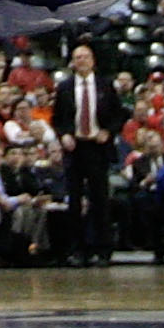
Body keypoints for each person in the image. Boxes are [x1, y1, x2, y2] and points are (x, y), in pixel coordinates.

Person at [54, 42, 127, 264]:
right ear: (73, 63)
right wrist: (64, 134)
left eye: (85, 57)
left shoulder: (105, 85)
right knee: (74, 201)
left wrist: (108, 131)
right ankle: (78, 250)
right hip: (74, 147)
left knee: (100, 200)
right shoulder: (65, 87)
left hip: (97, 146)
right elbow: (57, 118)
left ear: (93, 60)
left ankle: (103, 249)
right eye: (77, 58)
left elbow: (119, 115)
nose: (82, 61)